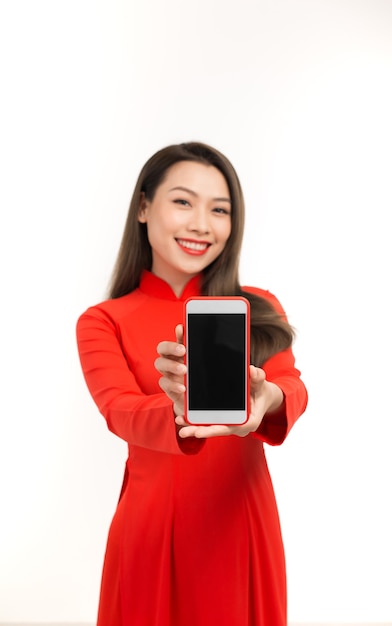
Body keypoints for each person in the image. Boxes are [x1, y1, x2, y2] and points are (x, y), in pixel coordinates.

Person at [76, 141, 308, 626]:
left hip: (242, 522)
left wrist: (268, 397)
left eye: (219, 209)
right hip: (151, 531)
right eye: (183, 201)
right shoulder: (103, 320)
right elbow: (119, 410)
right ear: (143, 206)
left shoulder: (257, 306)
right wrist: (180, 408)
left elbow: (290, 384)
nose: (202, 224)